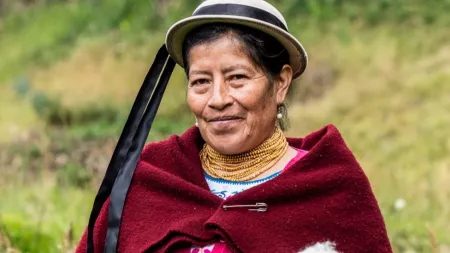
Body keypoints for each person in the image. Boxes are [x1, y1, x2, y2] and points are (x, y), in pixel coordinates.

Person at [76, 0, 393, 252]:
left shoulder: (329, 188)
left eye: (237, 78)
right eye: (200, 81)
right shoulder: (150, 178)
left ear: (280, 83)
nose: (217, 99)